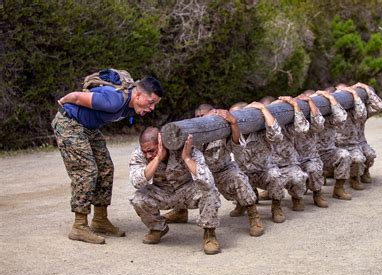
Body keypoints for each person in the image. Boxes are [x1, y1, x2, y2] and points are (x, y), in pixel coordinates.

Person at [51, 74, 163, 244]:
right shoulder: (115, 99)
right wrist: (62, 102)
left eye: (155, 104)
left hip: (89, 128)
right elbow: (75, 97)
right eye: (151, 102)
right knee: (86, 170)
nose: (152, 108)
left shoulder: (130, 105)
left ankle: (100, 220)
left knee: (105, 168)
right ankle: (79, 226)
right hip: (69, 123)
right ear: (138, 94)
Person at [166, 104, 264, 237]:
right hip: (201, 172)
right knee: (180, 177)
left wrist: (233, 123)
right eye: (198, 116)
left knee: (238, 177)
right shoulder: (193, 131)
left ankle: (253, 215)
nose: (201, 118)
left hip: (222, 170)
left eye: (204, 115)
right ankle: (181, 211)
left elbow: (237, 146)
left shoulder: (221, 127)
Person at [129, 127, 222, 255]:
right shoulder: (140, 154)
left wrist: (186, 158)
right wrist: (157, 158)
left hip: (187, 190)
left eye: (151, 151)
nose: (147, 155)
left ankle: (209, 234)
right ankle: (157, 228)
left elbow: (207, 180)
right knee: (138, 199)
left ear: (163, 144)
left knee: (210, 191)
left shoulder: (186, 149)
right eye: (144, 152)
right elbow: (136, 182)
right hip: (162, 192)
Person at [230, 102, 288, 223]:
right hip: (245, 174)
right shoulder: (229, 133)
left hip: (263, 172)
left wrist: (262, 108)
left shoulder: (260, 129)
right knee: (233, 177)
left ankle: (276, 206)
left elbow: (277, 136)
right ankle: (242, 203)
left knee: (276, 175)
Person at [269, 97, 309, 211]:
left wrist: (295, 106)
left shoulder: (289, 125)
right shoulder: (263, 126)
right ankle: (276, 206)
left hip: (288, 164)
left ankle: (297, 198)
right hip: (268, 167)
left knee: (299, 177)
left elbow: (302, 128)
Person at [313, 90, 353, 200]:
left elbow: (342, 118)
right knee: (311, 167)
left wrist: (331, 99)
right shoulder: (305, 114)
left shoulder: (331, 115)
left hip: (328, 152)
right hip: (310, 156)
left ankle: (339, 189)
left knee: (344, 155)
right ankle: (317, 194)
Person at [291, 91, 328, 208]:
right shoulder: (290, 114)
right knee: (293, 175)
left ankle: (317, 193)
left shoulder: (312, 117)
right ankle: (297, 198)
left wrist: (310, 102)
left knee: (313, 168)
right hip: (290, 160)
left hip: (309, 157)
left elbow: (319, 125)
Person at [334, 84, 367, 190]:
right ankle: (336, 182)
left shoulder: (353, 109)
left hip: (351, 145)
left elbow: (362, 113)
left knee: (358, 159)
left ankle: (354, 178)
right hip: (335, 146)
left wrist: (354, 94)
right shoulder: (332, 108)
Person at [352, 83, 382, 183]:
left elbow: (378, 106)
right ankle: (354, 178)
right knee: (357, 158)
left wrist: (365, 89)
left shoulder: (361, 112)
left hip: (360, 142)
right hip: (345, 145)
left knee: (370, 154)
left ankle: (365, 171)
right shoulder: (337, 113)